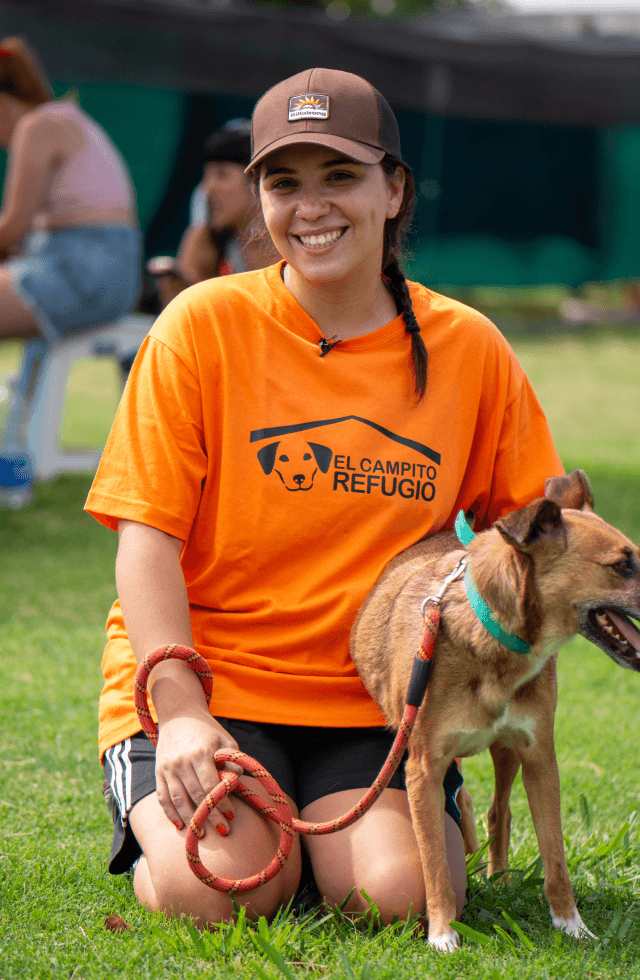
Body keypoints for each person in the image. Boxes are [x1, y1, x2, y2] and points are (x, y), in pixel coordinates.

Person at [85, 67, 564, 930]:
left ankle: (313, 843)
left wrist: (476, 678)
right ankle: (209, 833)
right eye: (284, 182)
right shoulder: (200, 326)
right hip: (213, 685)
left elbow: (524, 539)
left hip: (375, 699)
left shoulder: (468, 348)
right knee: (218, 891)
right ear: (257, 199)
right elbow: (145, 537)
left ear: (394, 187)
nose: (312, 207)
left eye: (339, 176)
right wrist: (183, 715)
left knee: (401, 896)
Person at [0, 37, 141, 465]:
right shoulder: (67, 119)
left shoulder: (36, 125)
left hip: (83, 271)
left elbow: (10, 227)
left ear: (1, 101)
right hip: (105, 271)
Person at [145, 120, 276, 313]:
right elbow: (181, 315)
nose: (207, 188)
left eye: (221, 174)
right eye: (206, 176)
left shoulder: (290, 243)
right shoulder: (209, 240)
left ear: (258, 182)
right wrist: (178, 287)